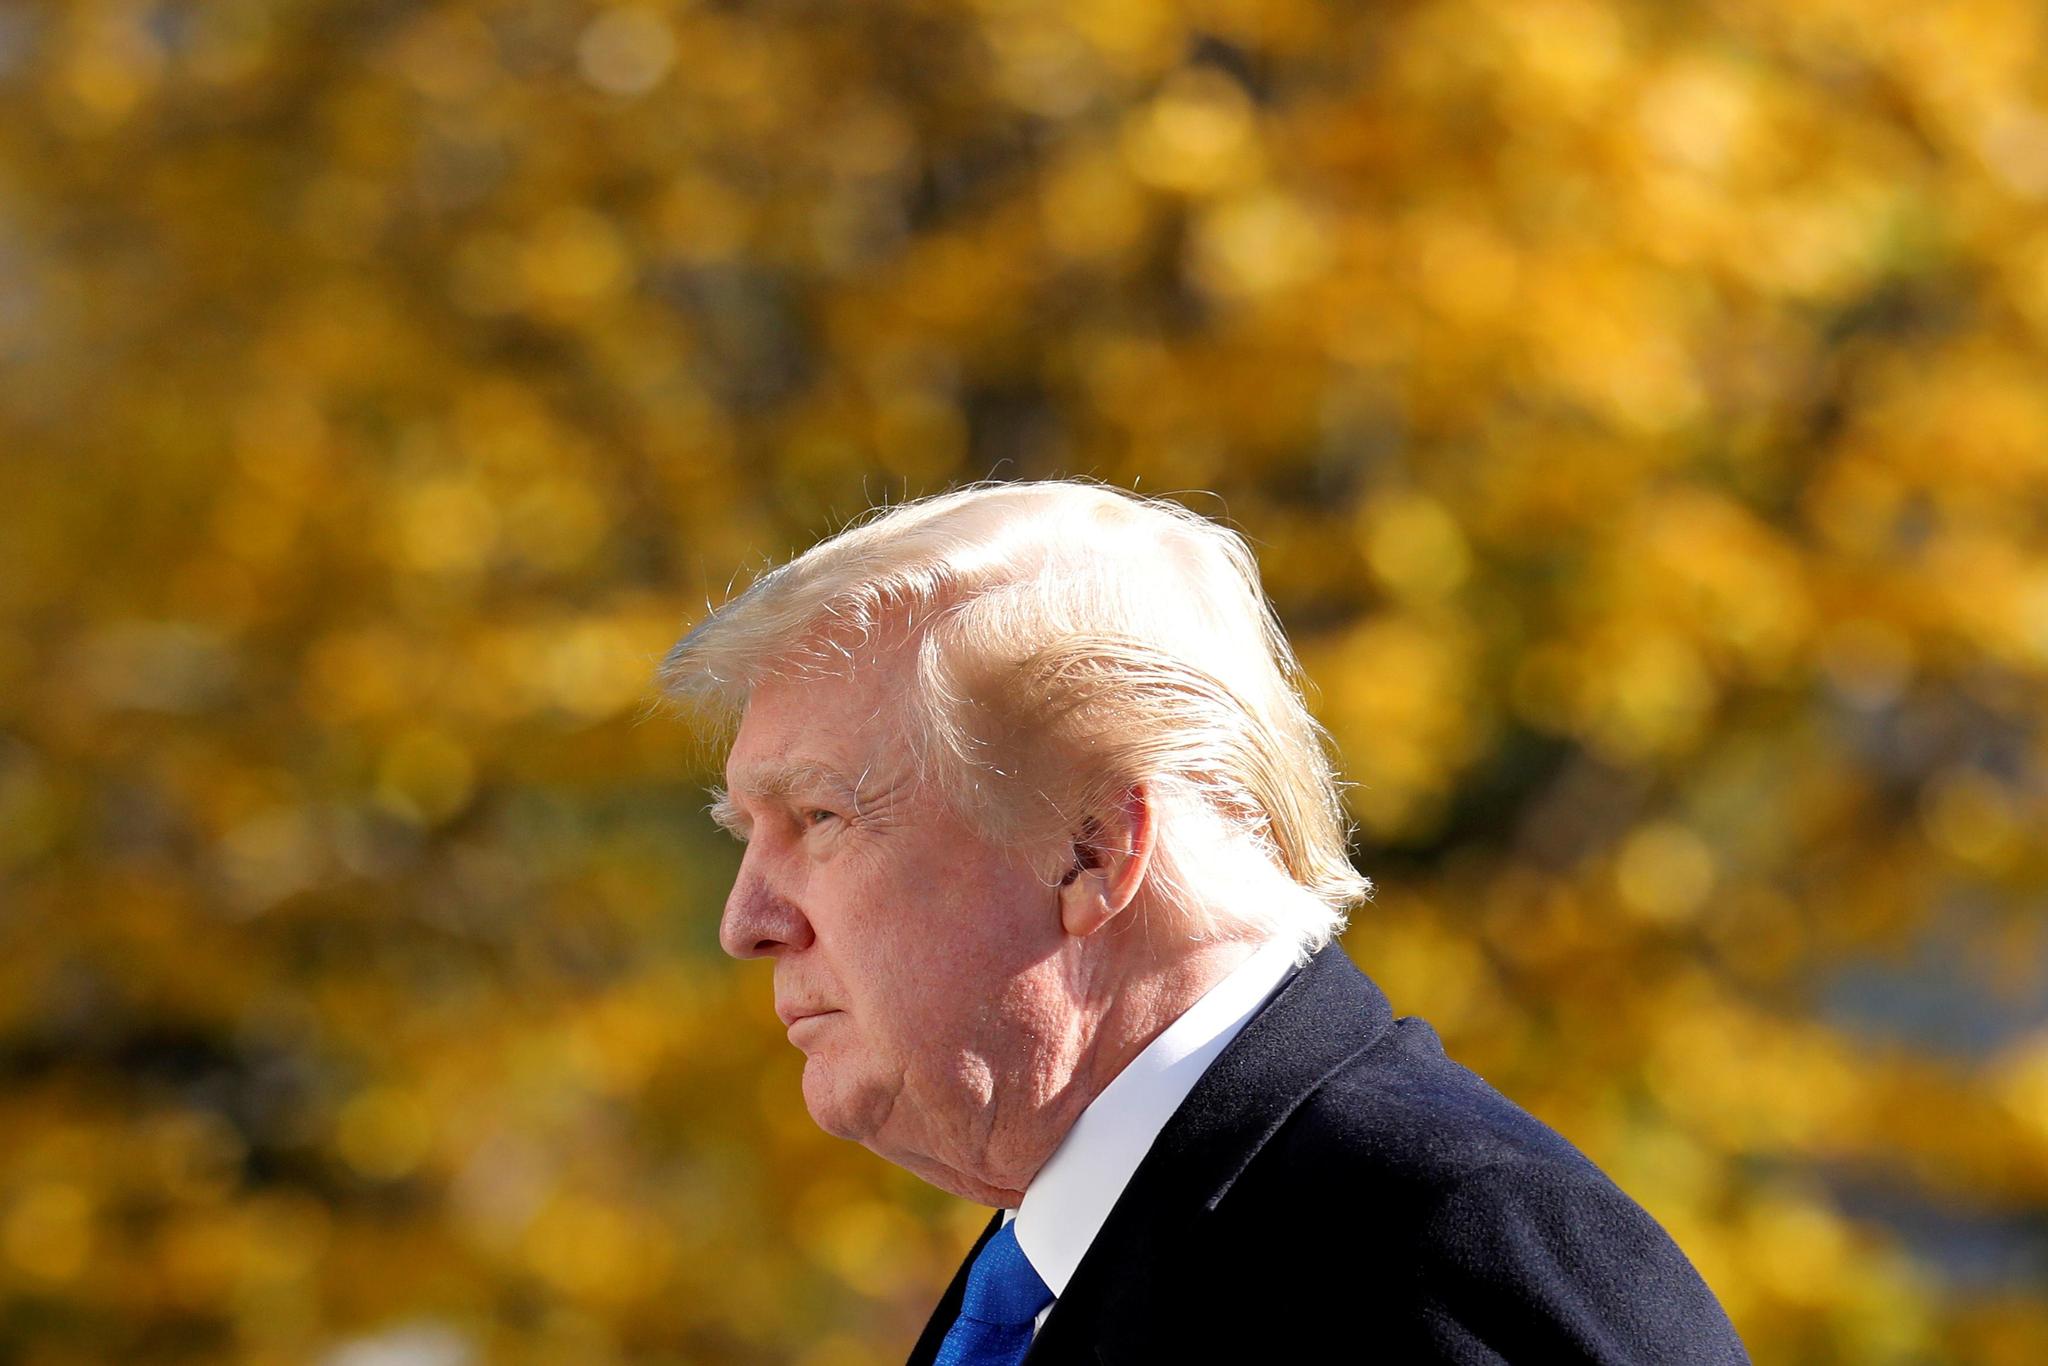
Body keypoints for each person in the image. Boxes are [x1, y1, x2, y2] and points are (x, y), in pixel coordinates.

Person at [661, 481, 1748, 1364]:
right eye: (746, 832)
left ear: (1093, 850)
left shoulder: (1432, 1253)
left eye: (819, 818)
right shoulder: (1053, 1275)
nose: (746, 921)